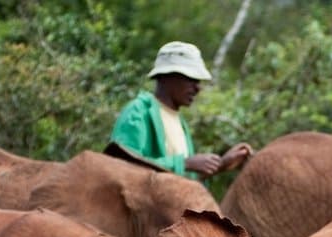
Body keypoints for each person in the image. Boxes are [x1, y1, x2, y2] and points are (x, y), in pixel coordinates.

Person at [105, 41, 252, 180]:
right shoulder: (138, 112)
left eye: (198, 81)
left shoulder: (179, 122)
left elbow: (179, 183)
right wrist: (185, 163)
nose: (197, 88)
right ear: (167, 76)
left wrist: (220, 165)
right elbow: (121, 168)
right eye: (191, 79)